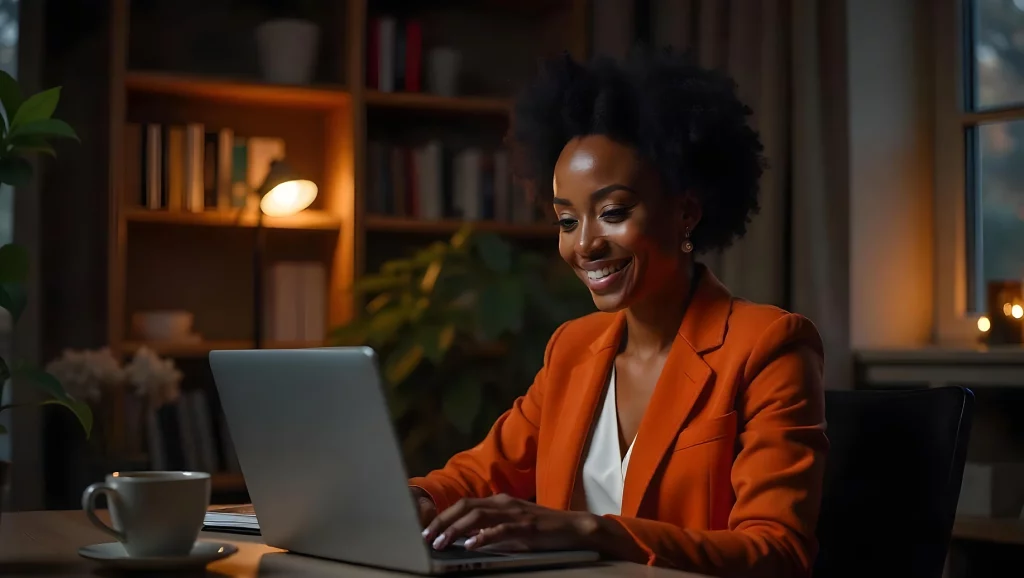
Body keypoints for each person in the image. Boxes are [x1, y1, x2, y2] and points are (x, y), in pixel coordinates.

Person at [411, 48, 828, 578]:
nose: (584, 245)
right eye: (566, 221)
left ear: (686, 212)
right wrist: (415, 496)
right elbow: (479, 473)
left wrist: (591, 530)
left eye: (612, 212)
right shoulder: (573, 347)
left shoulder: (769, 345)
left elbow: (777, 552)